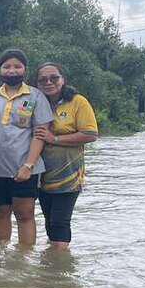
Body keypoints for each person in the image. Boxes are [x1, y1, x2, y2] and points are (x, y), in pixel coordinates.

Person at [0, 49, 54, 246]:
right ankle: (2, 258)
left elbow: (40, 134)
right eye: (7, 66)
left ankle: (24, 259)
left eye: (17, 66)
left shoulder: (35, 96)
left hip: (25, 168)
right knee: (0, 213)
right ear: (0, 70)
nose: (12, 70)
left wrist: (28, 166)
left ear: (25, 70)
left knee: (25, 214)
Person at [34, 62, 98, 249]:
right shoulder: (33, 102)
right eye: (43, 79)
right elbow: (12, 114)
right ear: (36, 83)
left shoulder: (78, 102)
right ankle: (52, 260)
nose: (48, 82)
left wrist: (53, 138)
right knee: (48, 221)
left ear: (63, 79)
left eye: (54, 78)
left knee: (59, 222)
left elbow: (90, 134)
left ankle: (60, 263)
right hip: (40, 175)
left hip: (69, 175)